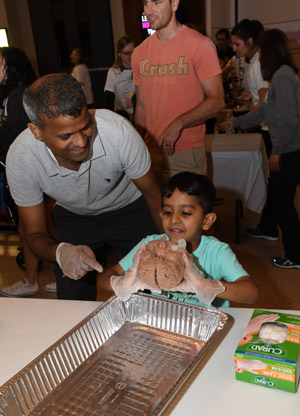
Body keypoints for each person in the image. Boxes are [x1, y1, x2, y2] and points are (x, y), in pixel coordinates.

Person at [5, 73, 163, 301]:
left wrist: (170, 245)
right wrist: (60, 253)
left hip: (130, 206)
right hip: (75, 215)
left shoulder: (117, 131)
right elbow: (34, 233)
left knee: (155, 288)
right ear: (37, 131)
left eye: (86, 126)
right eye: (65, 135)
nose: (80, 142)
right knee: (72, 299)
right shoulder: (22, 157)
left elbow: (154, 193)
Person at [100, 172, 259, 308]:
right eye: (168, 212)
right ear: (161, 215)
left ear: (207, 221)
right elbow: (105, 278)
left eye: (185, 213)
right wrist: (123, 284)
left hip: (204, 323)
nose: (174, 219)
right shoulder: (149, 246)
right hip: (161, 321)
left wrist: (207, 287)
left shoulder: (216, 251)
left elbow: (252, 294)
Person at [220, 29, 300, 270]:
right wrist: (235, 122)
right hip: (286, 149)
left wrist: (277, 151)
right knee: (279, 199)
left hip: (287, 151)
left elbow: (288, 121)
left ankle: (295, 255)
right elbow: (265, 111)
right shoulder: (280, 75)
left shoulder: (283, 77)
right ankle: (288, 246)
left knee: (284, 204)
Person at [132, 0, 224, 185]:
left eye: (156, 2)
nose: (149, 10)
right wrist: (136, 148)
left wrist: (178, 124)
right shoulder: (139, 53)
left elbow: (217, 101)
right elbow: (141, 106)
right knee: (156, 212)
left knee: (187, 212)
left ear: (174, 4)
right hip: (150, 154)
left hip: (185, 152)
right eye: (146, 3)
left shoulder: (200, 45)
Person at [0, 46, 56, 297]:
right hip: (23, 171)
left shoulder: (18, 96)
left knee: (39, 229)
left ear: (10, 67)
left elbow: (29, 139)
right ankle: (31, 279)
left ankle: (60, 274)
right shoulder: (13, 95)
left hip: (32, 172)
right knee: (29, 230)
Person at [104, 35, 135, 122]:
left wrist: (134, 101)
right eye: (126, 53)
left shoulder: (140, 68)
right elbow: (109, 99)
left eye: (133, 52)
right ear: (119, 53)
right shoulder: (113, 72)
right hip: (125, 118)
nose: (130, 56)